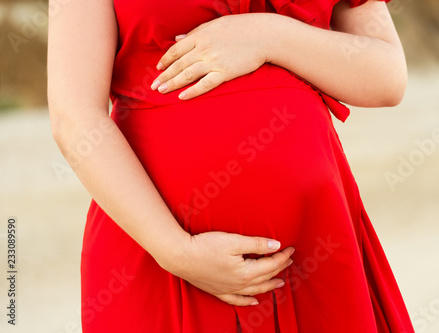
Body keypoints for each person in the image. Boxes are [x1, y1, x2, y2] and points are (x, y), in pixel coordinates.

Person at [47, 0, 414, 331]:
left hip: (315, 245)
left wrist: (270, 35)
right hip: (157, 251)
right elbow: (75, 117)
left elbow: (387, 78)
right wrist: (177, 251)